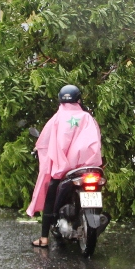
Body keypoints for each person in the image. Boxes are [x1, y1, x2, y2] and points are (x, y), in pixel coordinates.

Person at [27, 85, 102, 248]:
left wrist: (37, 147)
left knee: (51, 192)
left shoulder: (57, 118)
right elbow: (95, 140)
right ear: (79, 100)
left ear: (60, 100)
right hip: (86, 168)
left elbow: (46, 141)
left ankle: (44, 238)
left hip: (64, 170)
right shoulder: (87, 117)